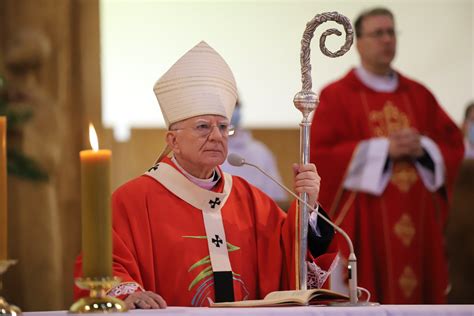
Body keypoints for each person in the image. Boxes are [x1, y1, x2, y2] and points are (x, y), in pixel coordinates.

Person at [74, 41, 337, 308]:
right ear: (172, 141)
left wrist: (308, 207)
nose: (216, 136)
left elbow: (291, 259)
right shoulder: (132, 199)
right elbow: (105, 263)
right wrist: (127, 295)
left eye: (223, 127)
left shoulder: (250, 199)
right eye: (203, 127)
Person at [309, 7, 464, 304]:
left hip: (417, 220)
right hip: (367, 220)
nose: (386, 40)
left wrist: (424, 148)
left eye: (391, 32)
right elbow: (322, 155)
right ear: (359, 42)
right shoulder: (338, 95)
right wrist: (383, 150)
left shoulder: (418, 94)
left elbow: (453, 145)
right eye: (378, 33)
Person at [221, 100, 287, 203]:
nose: (233, 111)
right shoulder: (210, 150)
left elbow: (277, 196)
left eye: (236, 106)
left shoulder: (260, 151)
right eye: (229, 106)